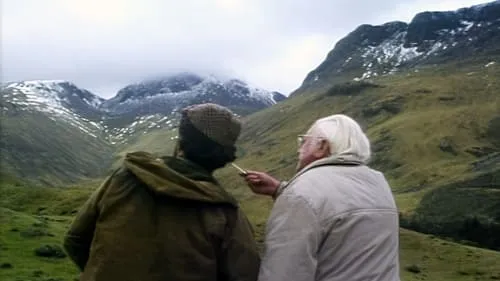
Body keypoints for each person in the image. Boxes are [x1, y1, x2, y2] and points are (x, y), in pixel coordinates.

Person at [63, 103, 260, 281]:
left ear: (180, 142)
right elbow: (246, 273)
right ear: (224, 157)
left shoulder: (125, 178)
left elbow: (75, 240)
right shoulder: (224, 211)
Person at [243, 114, 400, 281]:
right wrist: (279, 190)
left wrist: (290, 195)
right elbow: (338, 204)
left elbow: (283, 272)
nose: (299, 148)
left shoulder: (302, 192)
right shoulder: (378, 183)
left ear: (322, 146)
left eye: (304, 141)